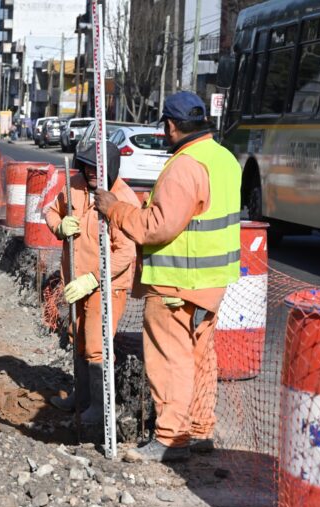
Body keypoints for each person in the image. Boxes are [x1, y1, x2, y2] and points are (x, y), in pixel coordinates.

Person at [95, 92, 241, 462]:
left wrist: (117, 211)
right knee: (200, 356)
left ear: (171, 126)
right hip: (210, 281)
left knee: (170, 359)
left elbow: (157, 227)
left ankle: (171, 438)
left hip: (177, 282)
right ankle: (199, 429)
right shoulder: (223, 158)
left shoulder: (185, 165)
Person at [44, 142, 139, 427]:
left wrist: (94, 279)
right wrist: (58, 225)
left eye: (97, 169)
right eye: (87, 168)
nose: (91, 174)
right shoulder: (73, 185)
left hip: (106, 286)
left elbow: (126, 252)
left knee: (96, 346)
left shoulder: (122, 200)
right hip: (75, 281)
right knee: (78, 338)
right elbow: (51, 211)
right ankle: (81, 396)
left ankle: (99, 408)